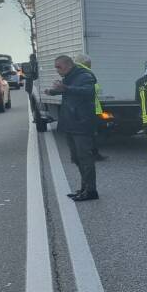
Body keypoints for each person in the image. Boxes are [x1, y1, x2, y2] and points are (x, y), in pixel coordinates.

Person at [47, 55, 99, 201]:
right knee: (76, 158)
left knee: (85, 158)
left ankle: (91, 191)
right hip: (71, 123)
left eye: (59, 66)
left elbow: (88, 92)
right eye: (56, 67)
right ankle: (84, 188)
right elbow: (70, 91)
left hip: (82, 123)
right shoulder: (70, 76)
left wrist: (65, 88)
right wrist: (53, 91)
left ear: (68, 65)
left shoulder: (84, 75)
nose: (57, 70)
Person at [74, 53, 107, 161]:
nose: (91, 64)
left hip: (79, 109)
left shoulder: (74, 72)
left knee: (83, 133)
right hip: (90, 109)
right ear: (86, 62)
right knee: (91, 134)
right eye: (90, 62)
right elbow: (95, 89)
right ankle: (92, 155)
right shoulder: (87, 73)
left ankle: (86, 154)